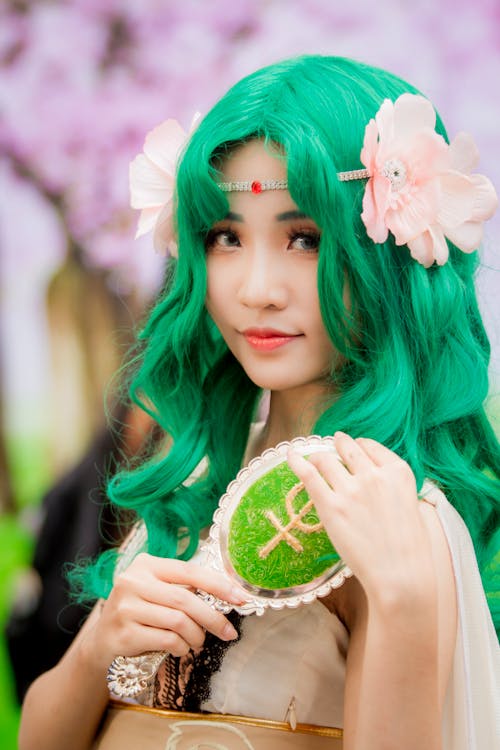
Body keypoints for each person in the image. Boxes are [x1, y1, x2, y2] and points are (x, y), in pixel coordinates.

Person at [19, 55, 500, 750]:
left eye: (303, 238)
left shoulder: (394, 511)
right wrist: (99, 650)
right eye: (226, 237)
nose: (257, 288)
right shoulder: (197, 475)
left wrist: (404, 605)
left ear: (387, 251)